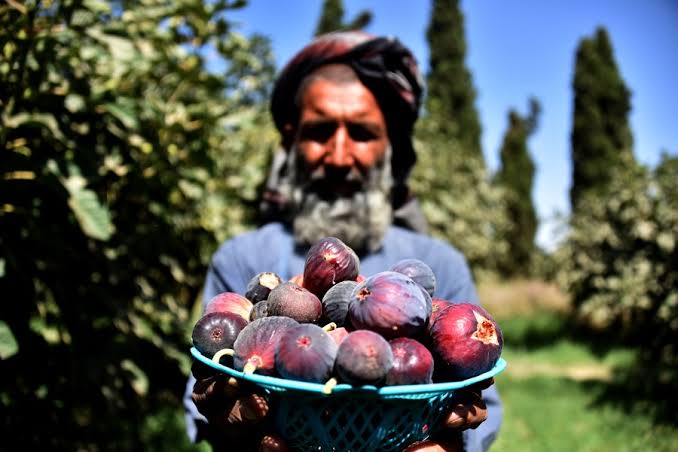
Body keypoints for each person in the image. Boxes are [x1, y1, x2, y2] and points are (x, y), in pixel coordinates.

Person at [185, 31, 502, 452]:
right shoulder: (243, 258)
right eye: (319, 131)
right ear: (289, 140)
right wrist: (224, 421)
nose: (338, 155)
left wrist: (454, 439)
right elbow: (202, 400)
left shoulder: (439, 264)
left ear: (390, 144)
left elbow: (485, 407)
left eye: (362, 133)